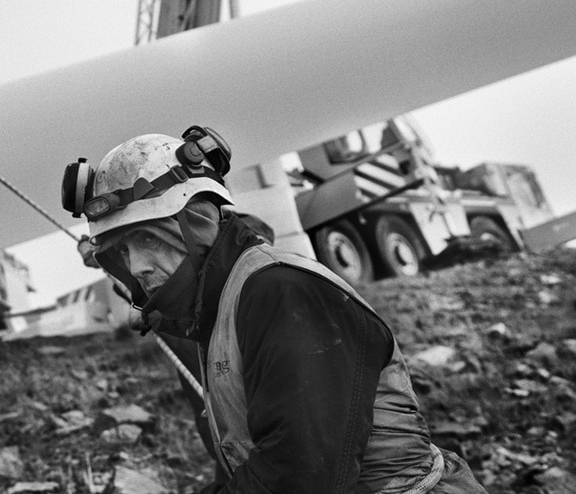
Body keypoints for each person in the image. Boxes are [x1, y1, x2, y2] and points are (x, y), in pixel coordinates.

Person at [61, 127, 486, 493]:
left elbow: (301, 474)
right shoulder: (219, 308)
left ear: (199, 224)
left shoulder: (280, 291)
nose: (137, 266)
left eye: (150, 240)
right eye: (121, 252)